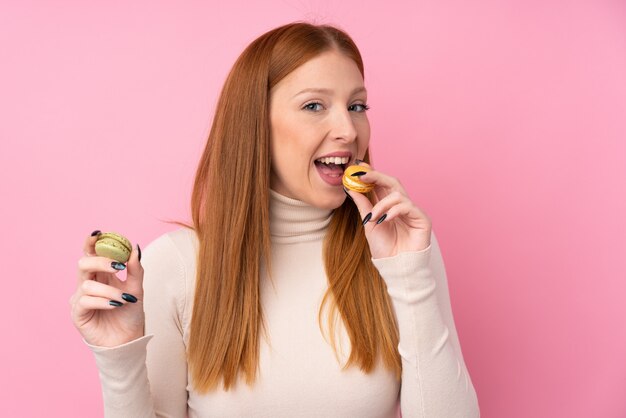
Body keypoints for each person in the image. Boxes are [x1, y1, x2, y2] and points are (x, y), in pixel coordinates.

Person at [70, 22, 480, 417]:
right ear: (255, 126)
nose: (348, 130)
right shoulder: (175, 266)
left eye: (356, 106)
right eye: (314, 105)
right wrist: (119, 363)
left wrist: (408, 274)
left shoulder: (399, 247)